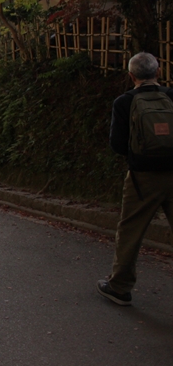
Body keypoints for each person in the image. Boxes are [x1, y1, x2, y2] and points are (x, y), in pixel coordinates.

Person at [96, 52, 173, 306]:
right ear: (158, 73)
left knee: (131, 231)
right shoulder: (171, 97)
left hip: (142, 178)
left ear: (131, 76)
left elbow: (117, 144)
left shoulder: (124, 102)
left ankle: (119, 287)